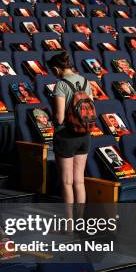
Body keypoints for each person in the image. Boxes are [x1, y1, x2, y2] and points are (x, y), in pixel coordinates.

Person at [47, 51, 93, 207]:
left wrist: (52, 118)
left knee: (67, 182)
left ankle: (68, 226)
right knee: (79, 181)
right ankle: (79, 222)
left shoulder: (61, 85)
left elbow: (59, 117)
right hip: (85, 135)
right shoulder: (86, 81)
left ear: (56, 69)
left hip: (66, 136)